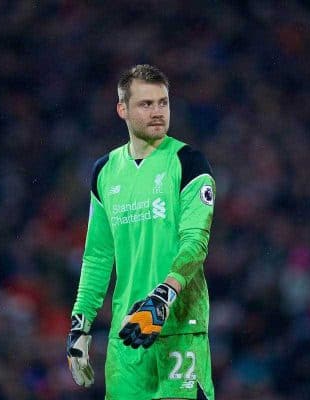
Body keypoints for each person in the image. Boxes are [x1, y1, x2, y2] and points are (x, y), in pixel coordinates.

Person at [66, 64, 216, 399]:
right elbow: (97, 257)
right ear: (122, 109)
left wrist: (163, 297)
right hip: (128, 333)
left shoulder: (189, 162)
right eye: (146, 104)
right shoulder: (104, 172)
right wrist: (81, 326)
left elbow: (196, 242)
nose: (158, 112)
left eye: (163, 102)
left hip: (178, 328)